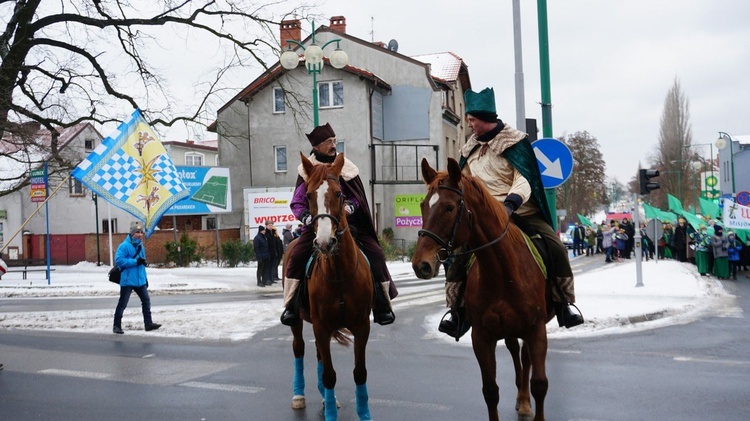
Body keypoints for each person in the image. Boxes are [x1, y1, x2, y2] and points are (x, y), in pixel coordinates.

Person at [438, 87, 583, 340]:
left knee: (555, 247)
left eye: (472, 119)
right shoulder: (469, 149)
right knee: (460, 256)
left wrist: (510, 203)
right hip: (484, 219)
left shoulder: (515, 142)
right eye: (469, 120)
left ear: (486, 118)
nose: (469, 124)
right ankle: (457, 311)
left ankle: (563, 304)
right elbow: (466, 183)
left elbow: (524, 178)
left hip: (521, 212)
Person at [280, 123, 396, 326]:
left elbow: (357, 196)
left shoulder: (346, 168)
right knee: (296, 256)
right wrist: (306, 217)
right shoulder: (307, 170)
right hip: (315, 225)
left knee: (376, 253)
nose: (333, 146)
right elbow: (297, 201)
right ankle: (292, 305)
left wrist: (350, 207)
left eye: (334, 141)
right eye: (328, 142)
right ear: (316, 147)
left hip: (346, 224)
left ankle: (382, 304)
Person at [113, 223, 161, 334]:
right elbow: (119, 261)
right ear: (132, 234)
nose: (140, 235)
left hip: (140, 280)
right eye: (137, 232)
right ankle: (116, 325)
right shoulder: (124, 246)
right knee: (123, 303)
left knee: (146, 301)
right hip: (128, 280)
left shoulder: (141, 246)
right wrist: (135, 261)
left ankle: (148, 324)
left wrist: (145, 279)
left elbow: (142, 264)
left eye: (141, 232)